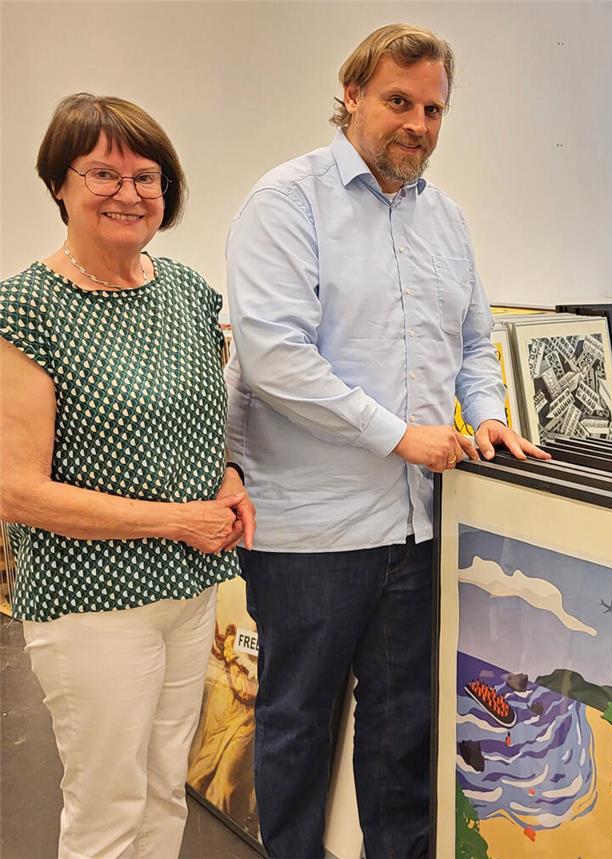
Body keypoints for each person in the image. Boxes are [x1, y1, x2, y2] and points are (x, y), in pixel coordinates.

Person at [224, 23, 547, 858]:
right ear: (352, 96)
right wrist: (398, 434)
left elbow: (475, 341)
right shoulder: (286, 202)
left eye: (434, 108)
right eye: (399, 101)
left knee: (403, 732)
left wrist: (486, 414)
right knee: (296, 724)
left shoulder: (448, 220)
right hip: (311, 530)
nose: (418, 123)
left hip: (416, 529)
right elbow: (274, 358)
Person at [0, 93, 254, 859]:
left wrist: (232, 473)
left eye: (148, 177)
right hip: (91, 602)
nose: (130, 193)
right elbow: (18, 488)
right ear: (59, 184)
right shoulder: (27, 308)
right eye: (104, 174)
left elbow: (206, 417)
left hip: (187, 589)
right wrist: (176, 518)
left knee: (162, 791)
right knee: (106, 808)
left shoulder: (184, 291)